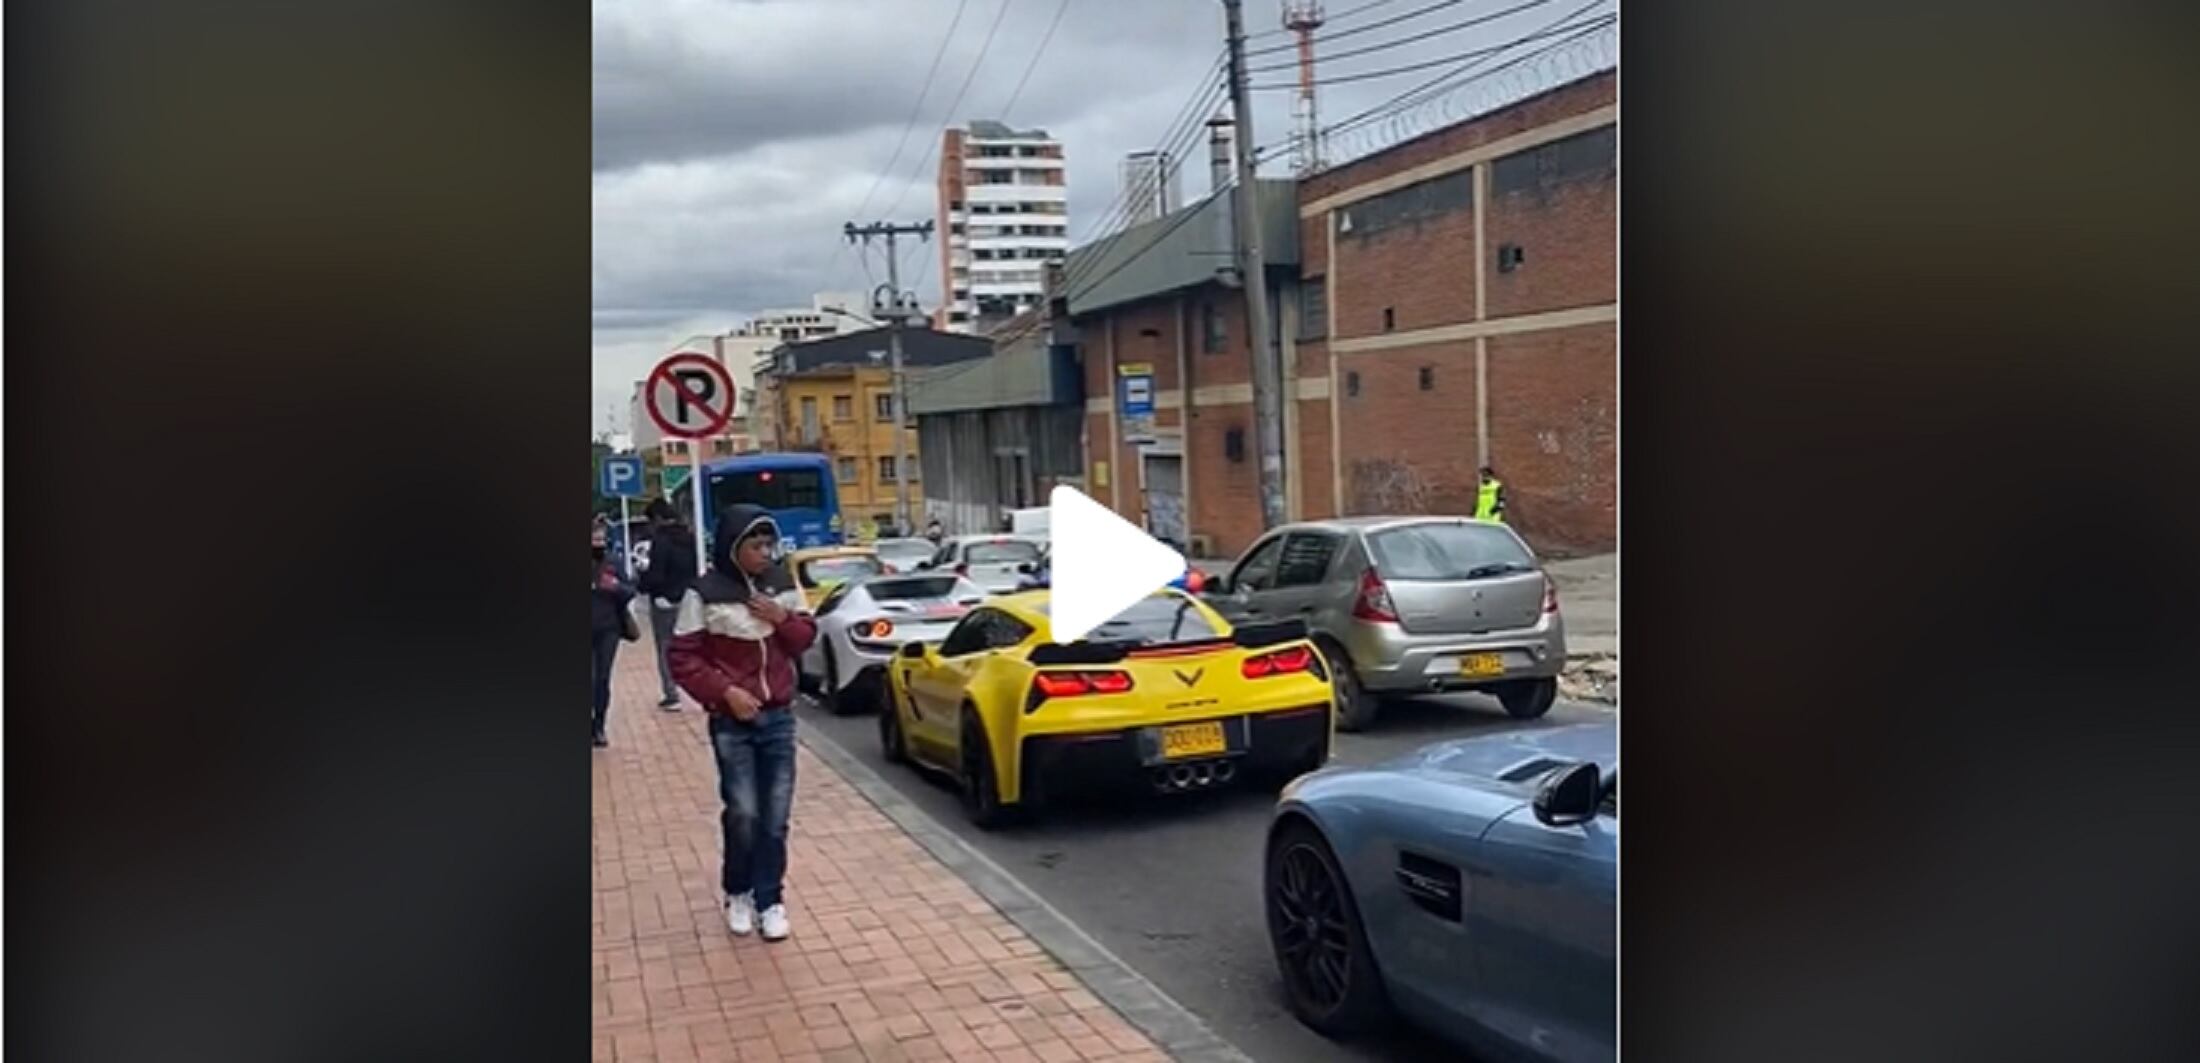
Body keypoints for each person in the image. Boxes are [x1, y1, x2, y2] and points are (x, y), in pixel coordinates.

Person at [667, 503, 817, 943]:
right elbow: (682, 657)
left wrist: (782, 618)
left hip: (779, 721)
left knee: (775, 818)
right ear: (733, 548)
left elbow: (806, 637)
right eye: (755, 545)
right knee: (743, 814)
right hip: (732, 724)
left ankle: (771, 900)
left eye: (769, 543)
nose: (764, 552)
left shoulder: (781, 584)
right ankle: (738, 892)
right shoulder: (705, 592)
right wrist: (724, 693)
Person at [637, 498, 698, 711]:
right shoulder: (691, 537)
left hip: (664, 601)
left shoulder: (660, 540)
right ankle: (698, 690)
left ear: (658, 519)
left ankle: (672, 695)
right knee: (691, 644)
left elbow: (656, 574)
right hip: (689, 599)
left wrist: (643, 584)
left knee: (665, 647)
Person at [590, 524, 638, 749]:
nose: (597, 543)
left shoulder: (613, 562)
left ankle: (599, 725)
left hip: (608, 629)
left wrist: (616, 586)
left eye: (601, 539)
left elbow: (630, 591)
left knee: (602, 678)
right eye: (593, 539)